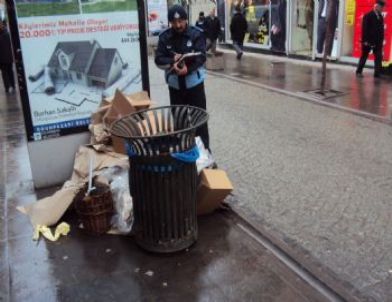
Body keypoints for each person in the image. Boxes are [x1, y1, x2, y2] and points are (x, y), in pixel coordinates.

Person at [155, 5, 210, 150]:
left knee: (200, 121)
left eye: (181, 21)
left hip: (194, 85)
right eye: (174, 22)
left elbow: (202, 56)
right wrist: (172, 61)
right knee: (179, 122)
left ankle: (205, 153)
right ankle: (184, 152)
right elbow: (158, 59)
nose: (178, 25)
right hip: (175, 87)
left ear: (186, 20)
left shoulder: (196, 34)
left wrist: (188, 69)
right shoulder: (164, 37)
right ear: (170, 22)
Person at [356, 0, 385, 78]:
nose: (382, 9)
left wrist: (381, 40)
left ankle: (377, 74)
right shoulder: (368, 15)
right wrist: (365, 41)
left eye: (383, 8)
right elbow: (364, 29)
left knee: (378, 57)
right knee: (364, 55)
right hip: (368, 41)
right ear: (376, 6)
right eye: (381, 7)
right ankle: (359, 71)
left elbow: (381, 29)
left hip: (378, 41)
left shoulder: (380, 16)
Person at [0, 21, 15, 94]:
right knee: (9, 72)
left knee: (6, 72)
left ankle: (8, 87)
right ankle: (11, 86)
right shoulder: (7, 34)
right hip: (8, 57)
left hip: (3, 58)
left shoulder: (6, 34)